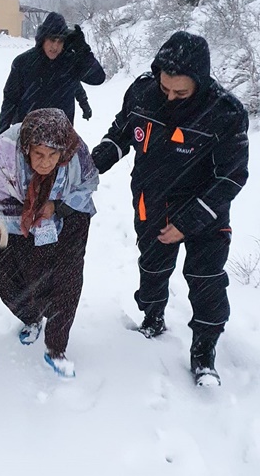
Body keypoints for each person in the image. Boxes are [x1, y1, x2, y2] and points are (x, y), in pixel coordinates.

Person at [91, 31, 249, 387]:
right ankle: (152, 316)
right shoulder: (144, 92)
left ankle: (204, 350)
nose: (170, 97)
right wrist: (91, 164)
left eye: (181, 93)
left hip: (205, 210)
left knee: (205, 280)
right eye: (166, 89)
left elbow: (232, 177)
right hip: (152, 200)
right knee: (152, 268)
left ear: (200, 82)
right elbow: (120, 134)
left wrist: (188, 220)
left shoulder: (225, 113)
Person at [0, 108, 99, 377]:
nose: (45, 163)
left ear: (64, 152)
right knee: (13, 281)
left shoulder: (75, 152)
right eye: (38, 154)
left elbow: (88, 184)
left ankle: (56, 348)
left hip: (64, 218)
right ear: (26, 149)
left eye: (53, 156)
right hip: (10, 218)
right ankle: (30, 317)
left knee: (66, 280)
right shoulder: (4, 153)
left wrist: (57, 206)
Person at [0, 11, 105, 135]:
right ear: (43, 38)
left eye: (60, 41)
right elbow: (10, 99)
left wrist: (83, 49)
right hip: (29, 138)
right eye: (52, 40)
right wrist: (2, 133)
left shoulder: (70, 63)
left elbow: (97, 78)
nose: (55, 46)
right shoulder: (23, 63)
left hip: (61, 138)